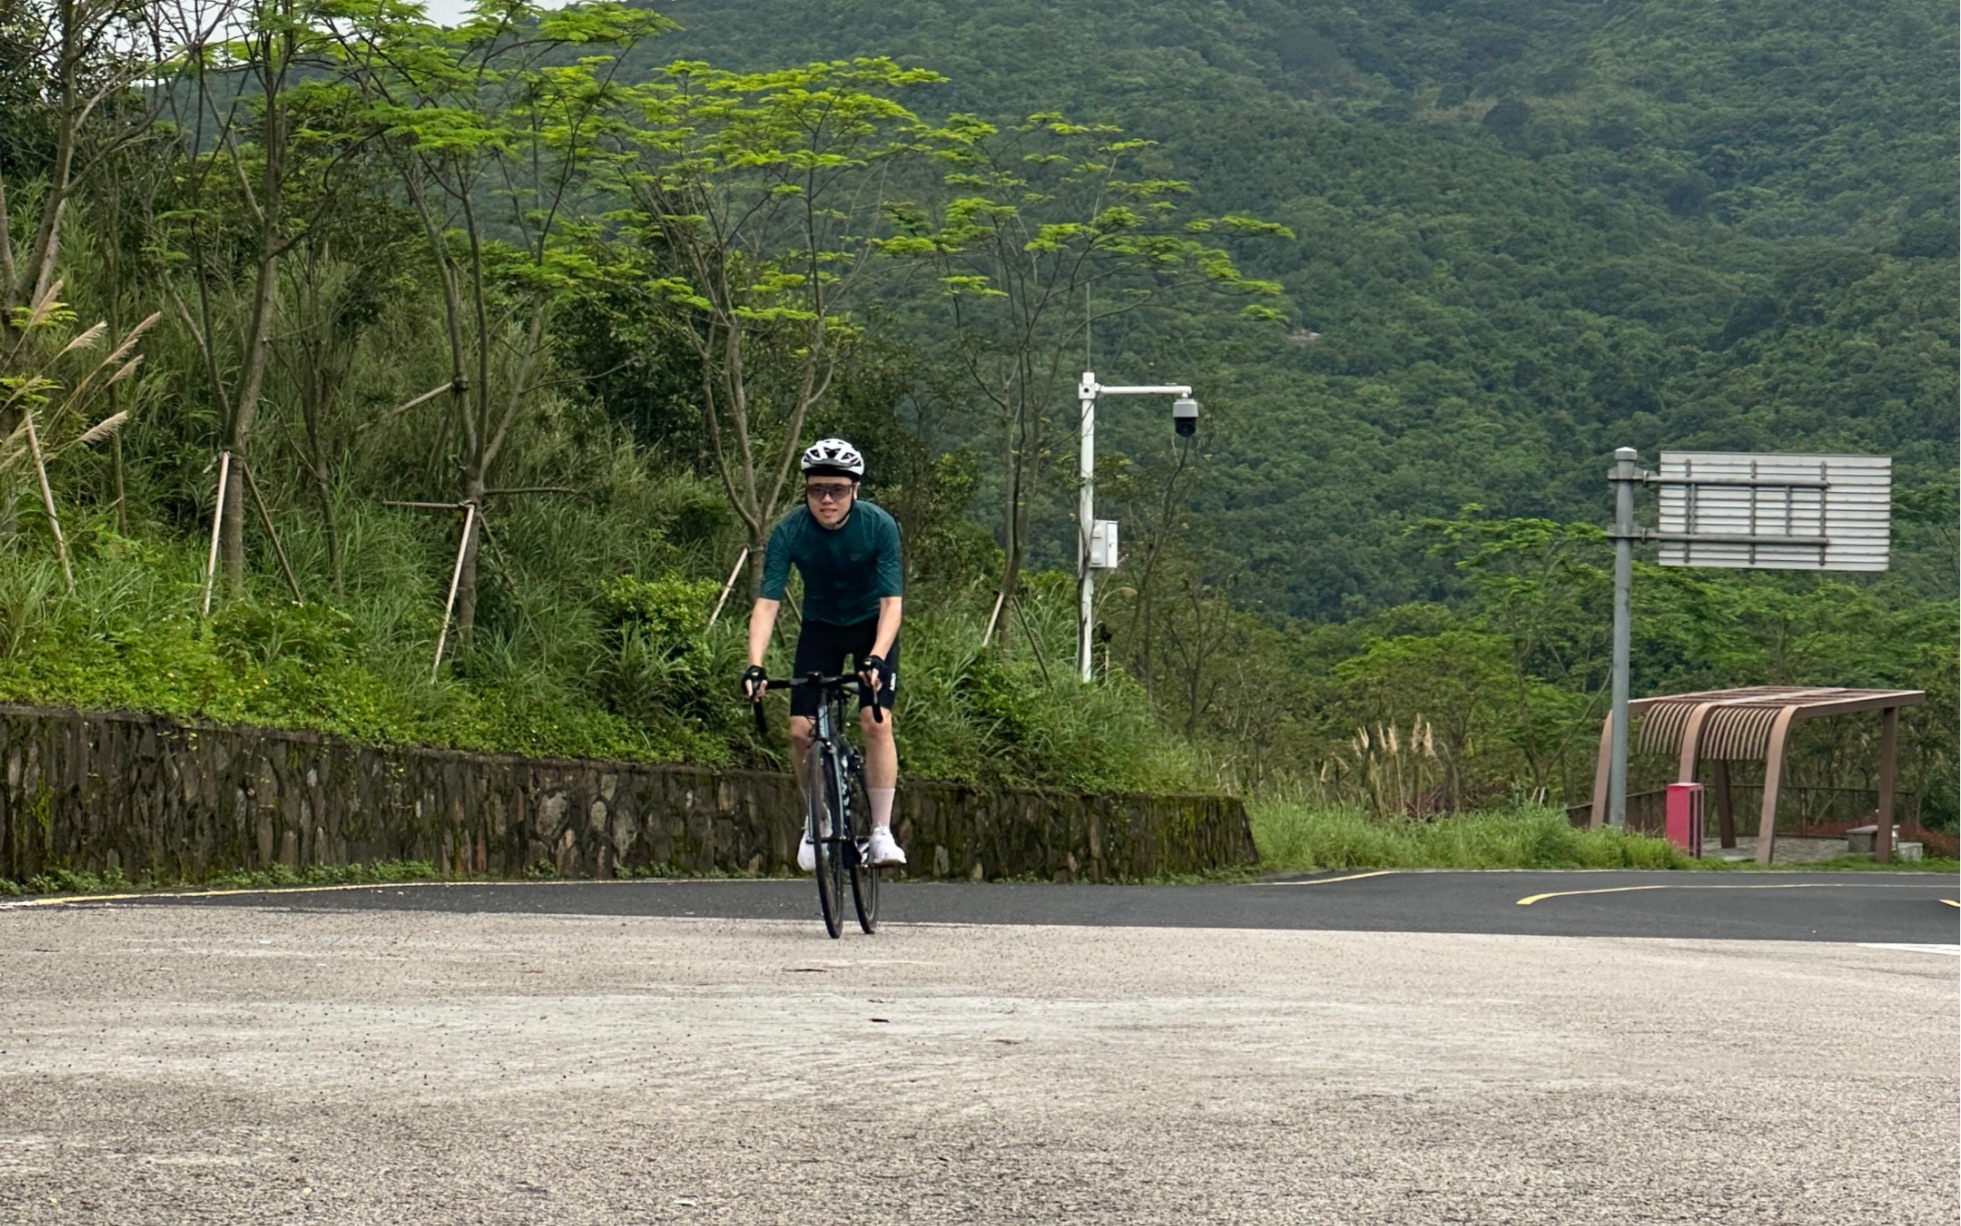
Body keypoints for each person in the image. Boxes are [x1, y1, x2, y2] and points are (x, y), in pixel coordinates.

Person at [742, 438, 907, 870]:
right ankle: (818, 823)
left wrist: (875, 658)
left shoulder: (879, 526)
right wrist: (755, 665)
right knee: (800, 730)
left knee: (876, 720)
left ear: (855, 489)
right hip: (821, 629)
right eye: (817, 490)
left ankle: (881, 832)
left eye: (836, 489)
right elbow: (766, 605)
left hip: (872, 628)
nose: (827, 499)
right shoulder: (791, 531)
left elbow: (892, 605)